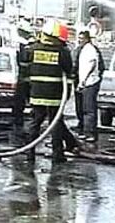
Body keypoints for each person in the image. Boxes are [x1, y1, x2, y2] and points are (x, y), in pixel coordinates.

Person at [26, 19, 80, 163]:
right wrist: (67, 94)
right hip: (56, 94)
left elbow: (25, 72)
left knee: (35, 122)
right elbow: (69, 74)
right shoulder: (62, 52)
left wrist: (27, 92)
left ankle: (29, 154)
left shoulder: (32, 49)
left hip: (36, 93)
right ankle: (58, 154)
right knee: (55, 123)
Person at [76, 30, 103, 143]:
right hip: (84, 82)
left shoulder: (91, 50)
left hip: (90, 82)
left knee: (89, 109)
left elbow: (91, 66)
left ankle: (90, 133)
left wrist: (83, 81)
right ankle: (84, 131)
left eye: (81, 38)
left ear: (87, 39)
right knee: (82, 108)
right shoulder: (83, 50)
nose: (79, 40)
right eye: (79, 38)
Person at [12, 19, 36, 127]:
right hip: (25, 78)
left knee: (24, 101)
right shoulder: (25, 45)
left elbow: (24, 62)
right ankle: (19, 120)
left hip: (26, 78)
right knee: (21, 102)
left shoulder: (28, 46)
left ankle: (22, 121)